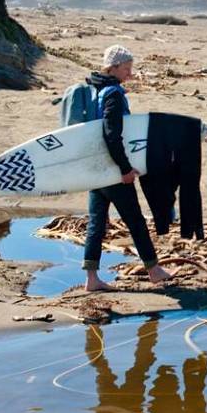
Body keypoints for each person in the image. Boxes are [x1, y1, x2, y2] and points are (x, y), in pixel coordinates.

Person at [82, 45, 172, 291]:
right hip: (112, 170)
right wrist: (125, 169)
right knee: (135, 220)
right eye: (126, 69)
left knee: (96, 223)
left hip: (94, 169)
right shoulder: (112, 94)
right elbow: (112, 135)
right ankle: (154, 270)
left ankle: (92, 279)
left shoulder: (94, 89)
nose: (130, 75)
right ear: (112, 68)